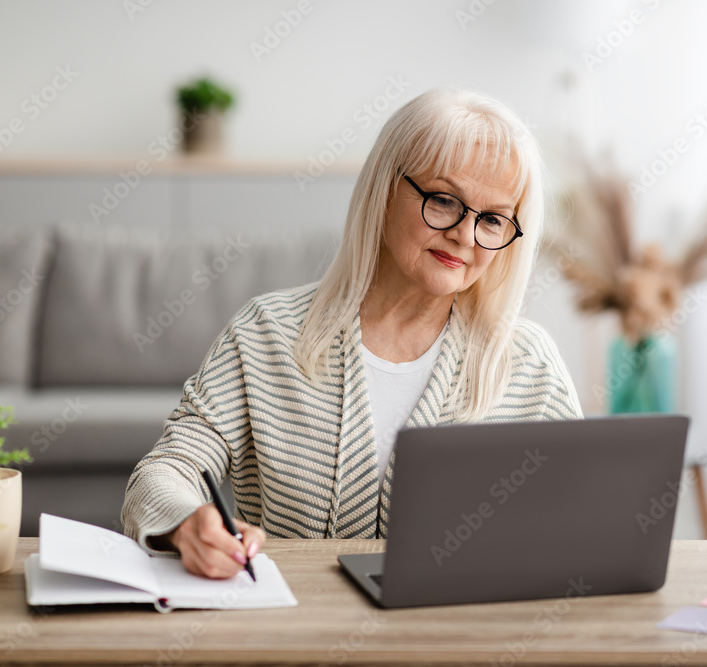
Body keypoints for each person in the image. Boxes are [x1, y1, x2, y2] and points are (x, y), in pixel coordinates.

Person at [121, 87, 583, 579]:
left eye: (492, 219)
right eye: (445, 201)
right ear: (385, 190)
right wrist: (187, 523)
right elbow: (165, 470)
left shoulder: (529, 361)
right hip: (297, 620)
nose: (464, 236)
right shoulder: (265, 333)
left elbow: (585, 515)